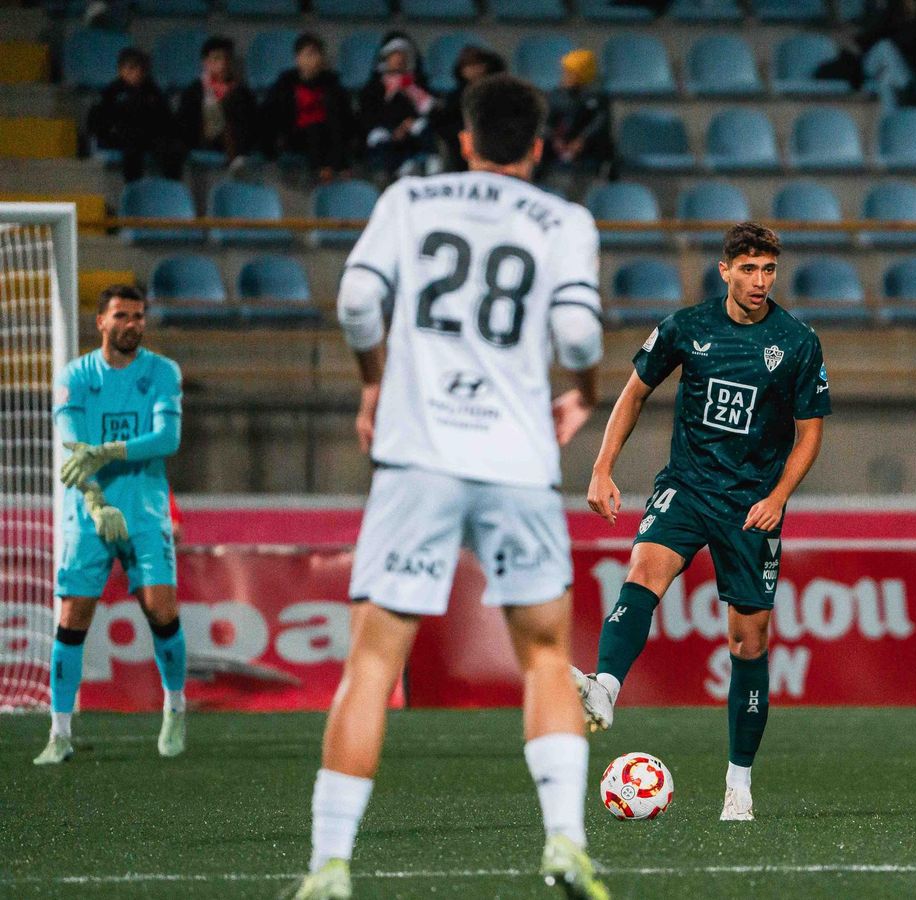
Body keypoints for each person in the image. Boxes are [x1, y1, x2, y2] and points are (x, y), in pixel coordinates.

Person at [290, 74, 608, 900]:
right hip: (517, 460)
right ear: (538, 147)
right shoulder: (564, 220)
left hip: (418, 456)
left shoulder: (410, 198)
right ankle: (566, 846)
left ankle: (330, 867)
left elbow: (360, 300)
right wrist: (585, 391)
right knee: (544, 657)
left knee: (370, 664)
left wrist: (371, 383)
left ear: (463, 139)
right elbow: (576, 329)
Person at [572, 222, 832, 823]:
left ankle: (738, 782)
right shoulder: (687, 328)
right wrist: (602, 468)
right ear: (725, 271)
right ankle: (606, 687)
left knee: (750, 641)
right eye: (748, 269)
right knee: (643, 569)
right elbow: (633, 393)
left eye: (768, 269)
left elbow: (810, 431)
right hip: (686, 488)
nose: (760, 281)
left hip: (751, 506)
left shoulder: (796, 342)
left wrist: (780, 496)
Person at [35, 285, 187, 766]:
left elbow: (168, 437)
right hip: (88, 513)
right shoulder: (76, 377)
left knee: (161, 610)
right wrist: (97, 501)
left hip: (144, 511)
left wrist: (109, 452)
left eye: (139, 316)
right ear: (100, 321)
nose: (132, 325)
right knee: (72, 616)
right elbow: (73, 448)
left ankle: (175, 706)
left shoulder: (162, 372)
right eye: (122, 316)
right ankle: (59, 732)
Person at [263, 32, 356, 182]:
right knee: (314, 129)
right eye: (310, 54)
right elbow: (272, 114)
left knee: (329, 127)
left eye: (319, 54)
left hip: (328, 136)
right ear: (298, 59)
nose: (316, 59)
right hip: (296, 136)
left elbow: (345, 118)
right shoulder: (285, 85)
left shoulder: (333, 85)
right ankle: (323, 172)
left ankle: (337, 167)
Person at [86, 47, 183, 182]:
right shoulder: (111, 91)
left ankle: (171, 187)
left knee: (173, 147)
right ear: (120, 70)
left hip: (150, 135)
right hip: (123, 136)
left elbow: (165, 118)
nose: (136, 73)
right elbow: (97, 121)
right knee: (132, 146)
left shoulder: (152, 90)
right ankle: (133, 189)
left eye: (141, 69)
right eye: (131, 68)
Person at [534, 50, 615, 202]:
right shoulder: (556, 95)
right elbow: (546, 123)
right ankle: (535, 181)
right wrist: (556, 140)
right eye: (565, 72)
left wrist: (581, 140)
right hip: (560, 143)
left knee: (605, 143)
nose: (565, 76)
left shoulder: (597, 96)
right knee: (539, 143)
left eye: (571, 73)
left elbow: (600, 123)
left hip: (586, 146)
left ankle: (608, 184)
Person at [357, 32, 436, 179]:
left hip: (410, 129)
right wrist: (393, 128)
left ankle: (429, 162)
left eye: (403, 55)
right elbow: (368, 114)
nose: (399, 59)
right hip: (386, 129)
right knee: (378, 137)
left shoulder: (416, 84)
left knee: (423, 127)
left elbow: (428, 108)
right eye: (394, 55)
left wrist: (408, 123)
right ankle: (385, 170)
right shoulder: (374, 87)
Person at [175, 35, 257, 167]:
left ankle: (237, 161)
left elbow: (251, 123)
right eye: (216, 59)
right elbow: (184, 122)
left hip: (233, 139)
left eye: (227, 59)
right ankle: (236, 163)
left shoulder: (242, 91)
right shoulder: (195, 90)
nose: (223, 64)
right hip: (203, 139)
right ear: (205, 62)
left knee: (234, 103)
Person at [432, 45, 507, 173]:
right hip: (461, 144)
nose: (474, 70)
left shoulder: (499, 92)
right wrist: (464, 134)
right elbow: (444, 123)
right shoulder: (455, 96)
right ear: (461, 70)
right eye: (469, 66)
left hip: (492, 141)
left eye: (478, 65)